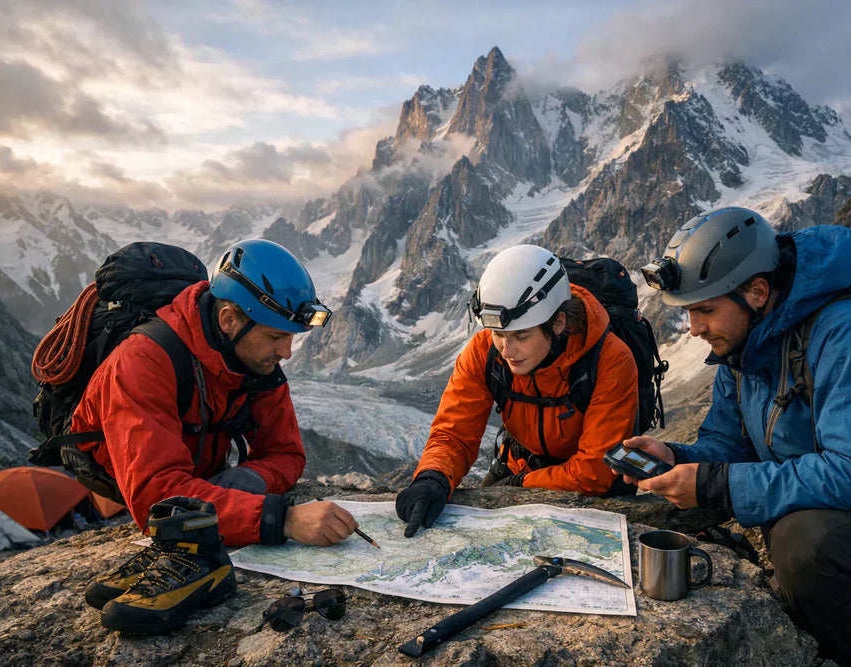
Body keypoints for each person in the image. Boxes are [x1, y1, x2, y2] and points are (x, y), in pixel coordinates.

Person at [618, 207, 851, 666]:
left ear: (757, 292)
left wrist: (715, 484)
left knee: (805, 544)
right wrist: (678, 457)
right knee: (798, 535)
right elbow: (729, 446)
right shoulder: (744, 345)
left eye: (705, 310)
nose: (695, 329)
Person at [70, 239, 358, 628]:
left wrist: (238, 483)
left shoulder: (253, 358)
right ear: (229, 320)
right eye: (276, 337)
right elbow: (158, 496)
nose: (286, 352)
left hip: (191, 476)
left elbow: (287, 454)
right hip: (131, 481)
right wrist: (282, 519)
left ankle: (191, 536)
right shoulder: (142, 361)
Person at [396, 245, 639, 537]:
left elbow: (593, 472)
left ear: (558, 323)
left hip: (586, 484)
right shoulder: (484, 351)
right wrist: (432, 477)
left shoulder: (610, 360)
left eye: (521, 336)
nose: (507, 351)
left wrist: (519, 485)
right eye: (498, 334)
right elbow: (454, 433)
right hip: (518, 466)